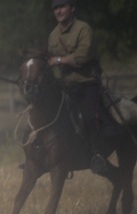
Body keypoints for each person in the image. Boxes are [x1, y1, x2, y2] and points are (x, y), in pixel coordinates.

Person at [46, 0, 106, 173]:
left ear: (72, 8)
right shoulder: (52, 36)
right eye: (55, 8)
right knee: (50, 117)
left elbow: (83, 56)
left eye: (62, 6)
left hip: (87, 82)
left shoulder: (83, 29)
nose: (59, 11)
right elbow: (49, 59)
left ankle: (98, 155)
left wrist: (59, 60)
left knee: (88, 117)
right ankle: (45, 156)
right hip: (66, 84)